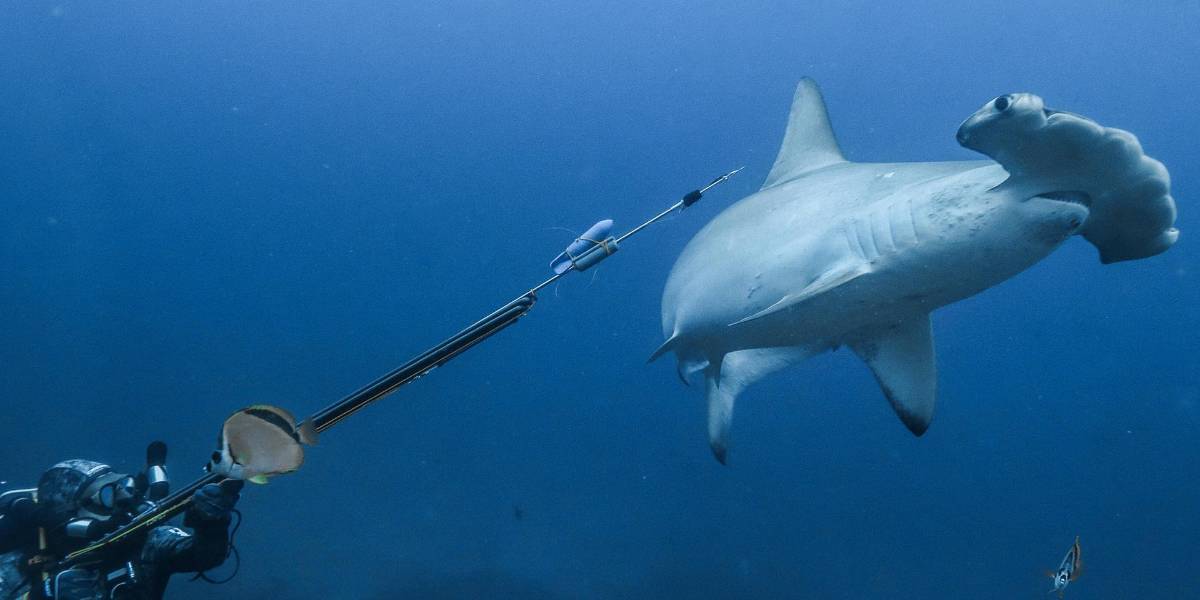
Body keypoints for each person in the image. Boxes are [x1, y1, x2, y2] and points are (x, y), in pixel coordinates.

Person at [1, 459, 242, 600]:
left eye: (121, 485)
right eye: (106, 494)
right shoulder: (17, 557)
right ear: (68, 512)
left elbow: (201, 555)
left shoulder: (144, 539)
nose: (124, 498)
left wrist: (210, 522)